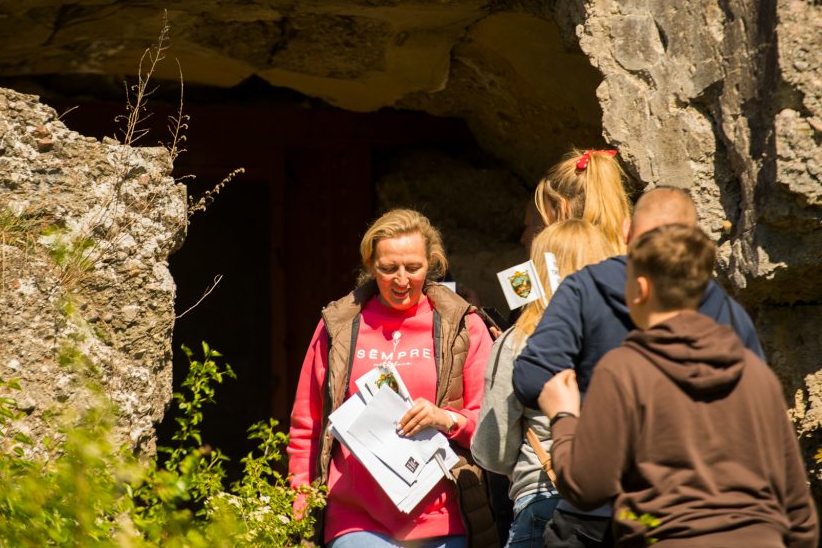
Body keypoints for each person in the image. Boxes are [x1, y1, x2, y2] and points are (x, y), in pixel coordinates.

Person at [512, 186, 764, 547]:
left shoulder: (586, 288)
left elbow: (531, 377)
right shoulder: (723, 309)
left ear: (628, 231)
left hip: (594, 510)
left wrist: (570, 410)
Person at [537, 224, 818, 547]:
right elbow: (796, 504)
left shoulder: (624, 370)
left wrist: (563, 418)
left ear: (640, 289)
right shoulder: (755, 373)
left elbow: (586, 487)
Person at [288, 208, 496, 547]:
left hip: (442, 517)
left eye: (413, 268)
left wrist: (445, 418)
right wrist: (301, 506)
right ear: (371, 266)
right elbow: (307, 427)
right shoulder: (338, 326)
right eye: (388, 269)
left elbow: (491, 422)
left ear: (431, 263)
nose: (401, 280)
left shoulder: (463, 325)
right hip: (355, 518)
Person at [473, 220, 615, 547]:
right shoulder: (632, 334)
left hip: (545, 498)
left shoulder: (518, 341)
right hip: (619, 505)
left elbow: (493, 452)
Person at [520, 148, 631, 256]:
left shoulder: (565, 268)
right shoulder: (631, 263)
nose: (522, 239)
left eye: (528, 226)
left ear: (562, 213)